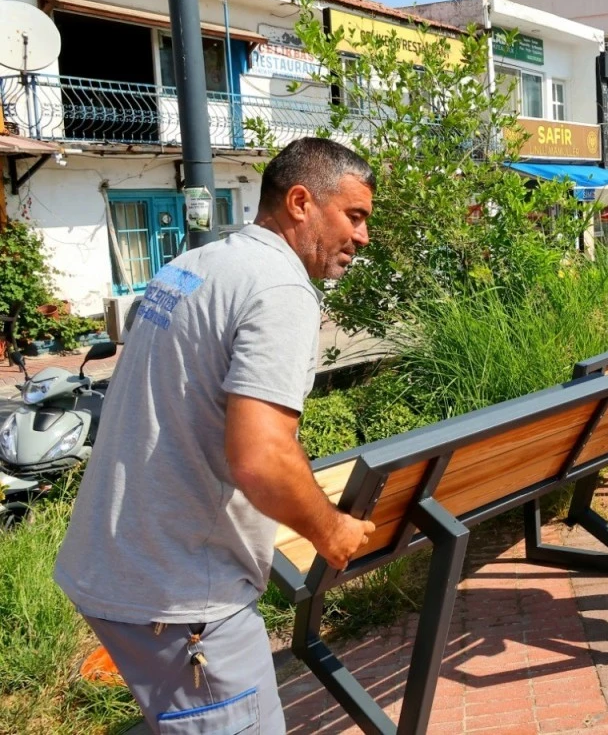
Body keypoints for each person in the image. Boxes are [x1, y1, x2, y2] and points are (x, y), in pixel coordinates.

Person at [54, 138, 378, 733]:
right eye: (354, 216)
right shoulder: (280, 289)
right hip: (182, 596)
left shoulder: (194, 265)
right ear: (300, 202)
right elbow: (261, 457)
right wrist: (330, 530)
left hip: (114, 560)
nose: (363, 237)